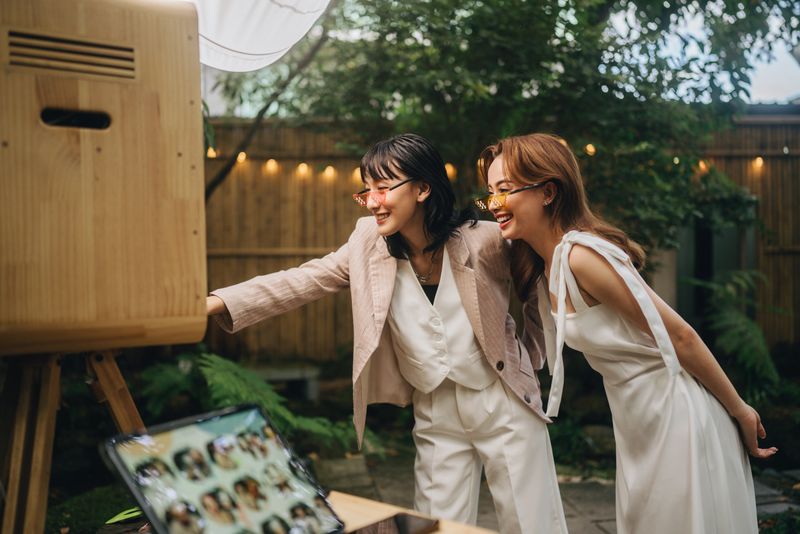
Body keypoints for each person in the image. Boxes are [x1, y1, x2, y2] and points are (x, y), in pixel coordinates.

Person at [207, 133, 567, 533]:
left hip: (503, 400)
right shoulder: (367, 245)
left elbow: (537, 284)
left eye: (384, 187)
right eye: (367, 190)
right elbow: (301, 280)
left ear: (423, 188)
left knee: (532, 522)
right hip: (434, 407)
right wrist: (216, 302)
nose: (373, 200)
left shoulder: (483, 239)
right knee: (435, 526)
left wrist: (532, 358)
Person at [477, 132, 777, 534]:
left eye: (505, 190)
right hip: (636, 420)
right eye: (490, 193)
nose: (494, 204)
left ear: (548, 192)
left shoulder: (582, 256)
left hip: (675, 413)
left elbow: (680, 336)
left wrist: (739, 409)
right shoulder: (546, 266)